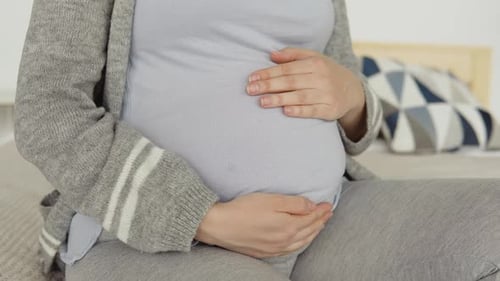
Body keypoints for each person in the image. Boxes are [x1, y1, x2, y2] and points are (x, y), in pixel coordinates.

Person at [15, 0, 500, 280]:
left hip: (328, 219)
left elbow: (346, 95)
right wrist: (199, 216)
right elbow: (48, 110)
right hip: (150, 240)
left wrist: (354, 98)